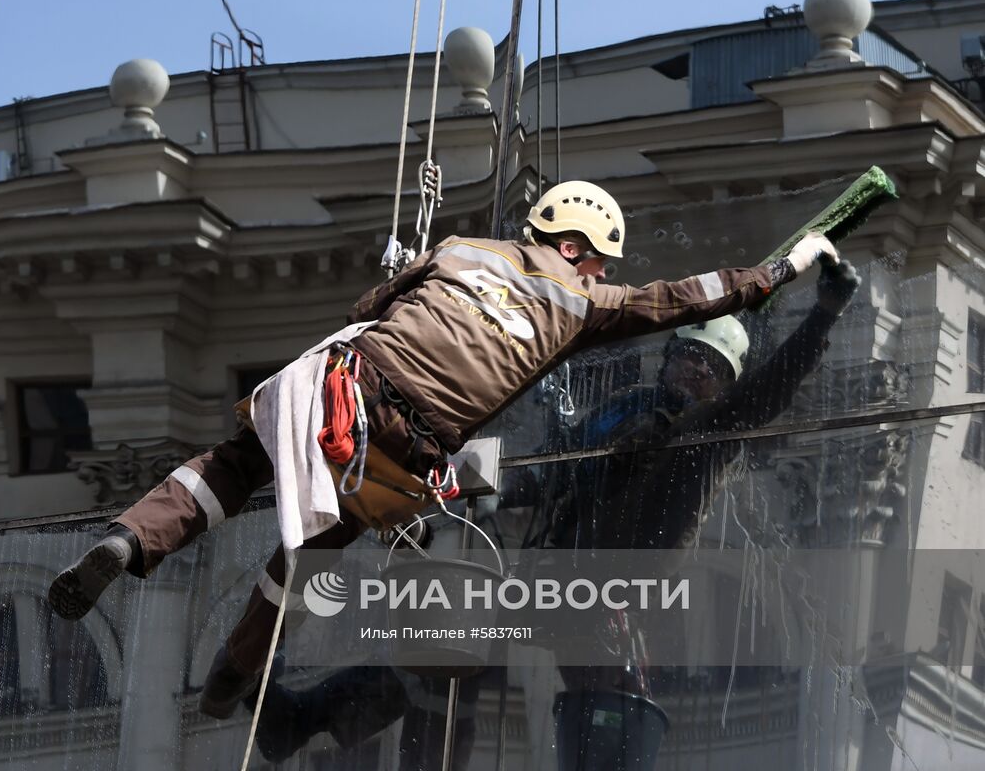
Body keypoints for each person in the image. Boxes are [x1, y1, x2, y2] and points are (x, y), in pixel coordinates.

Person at [49, 179, 840, 718]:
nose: (600, 271)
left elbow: (374, 306)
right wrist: (783, 268)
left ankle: (129, 538)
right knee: (320, 543)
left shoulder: (461, 248)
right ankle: (237, 668)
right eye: (597, 257)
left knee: (235, 464)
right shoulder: (586, 301)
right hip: (413, 445)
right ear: (577, 247)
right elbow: (684, 298)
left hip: (347, 382)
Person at [243, 257, 861, 766]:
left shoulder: (708, 435)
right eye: (686, 355)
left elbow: (767, 393)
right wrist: (448, 488)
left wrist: (822, 315)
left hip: (617, 589)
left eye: (710, 367)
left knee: (603, 688)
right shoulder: (626, 410)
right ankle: (305, 719)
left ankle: (310, 719)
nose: (692, 369)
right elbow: (548, 469)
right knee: (447, 651)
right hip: (562, 576)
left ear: (724, 386)